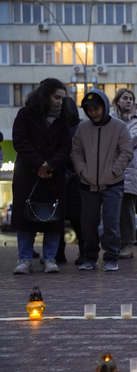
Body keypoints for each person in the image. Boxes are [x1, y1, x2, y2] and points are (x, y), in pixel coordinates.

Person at [12, 78, 72, 274]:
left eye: (63, 99)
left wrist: (50, 165)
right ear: (45, 96)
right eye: (57, 97)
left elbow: (66, 147)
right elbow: (20, 141)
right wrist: (40, 163)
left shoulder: (63, 118)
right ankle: (25, 259)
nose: (60, 102)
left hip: (54, 175)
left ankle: (50, 259)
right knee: (25, 217)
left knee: (53, 218)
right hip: (28, 174)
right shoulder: (25, 114)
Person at [71, 89, 133, 272]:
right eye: (89, 110)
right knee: (88, 223)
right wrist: (83, 171)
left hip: (113, 183)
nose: (93, 113)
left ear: (105, 107)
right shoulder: (82, 128)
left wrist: (113, 171)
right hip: (87, 184)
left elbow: (126, 152)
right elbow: (75, 153)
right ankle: (90, 257)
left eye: (96, 108)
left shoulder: (119, 127)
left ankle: (111, 257)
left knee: (111, 222)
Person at [110, 88, 137, 260]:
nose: (129, 101)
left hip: (130, 169)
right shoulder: (109, 118)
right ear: (117, 101)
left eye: (131, 98)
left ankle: (128, 244)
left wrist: (114, 142)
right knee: (111, 209)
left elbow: (133, 139)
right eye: (125, 98)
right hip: (110, 168)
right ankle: (113, 244)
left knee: (127, 209)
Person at [55, 96, 84, 265]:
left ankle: (60, 252)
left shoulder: (73, 129)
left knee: (66, 218)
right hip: (73, 179)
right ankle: (81, 249)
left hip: (69, 178)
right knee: (75, 218)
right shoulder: (78, 127)